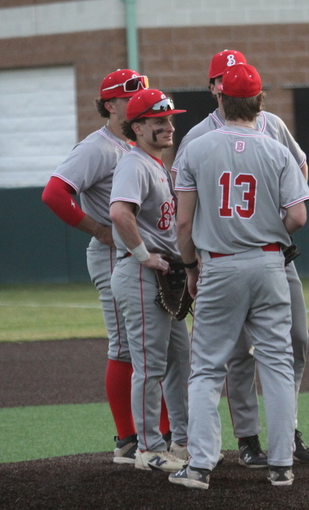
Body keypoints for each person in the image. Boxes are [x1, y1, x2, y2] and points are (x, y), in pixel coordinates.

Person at [170, 49, 309, 467]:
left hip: (260, 257)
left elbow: (299, 169)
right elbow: (300, 210)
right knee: (240, 354)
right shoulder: (199, 136)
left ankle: (282, 437)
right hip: (244, 255)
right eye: (220, 75)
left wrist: (193, 261)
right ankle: (251, 439)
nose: (224, 82)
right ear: (214, 86)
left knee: (294, 342)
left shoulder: (273, 128)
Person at [41, 69, 169, 464]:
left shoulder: (138, 145)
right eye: (129, 98)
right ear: (110, 105)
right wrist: (98, 230)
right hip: (115, 254)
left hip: (140, 251)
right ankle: (128, 439)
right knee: (127, 348)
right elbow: (54, 193)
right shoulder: (97, 148)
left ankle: (163, 432)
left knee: (152, 347)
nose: (137, 103)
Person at [108, 88, 191, 473]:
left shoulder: (154, 163)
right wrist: (144, 255)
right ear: (137, 126)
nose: (168, 126)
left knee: (180, 360)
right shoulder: (134, 164)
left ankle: (182, 440)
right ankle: (148, 448)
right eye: (158, 121)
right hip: (140, 273)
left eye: (169, 119)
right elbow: (120, 214)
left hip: (164, 275)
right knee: (150, 366)